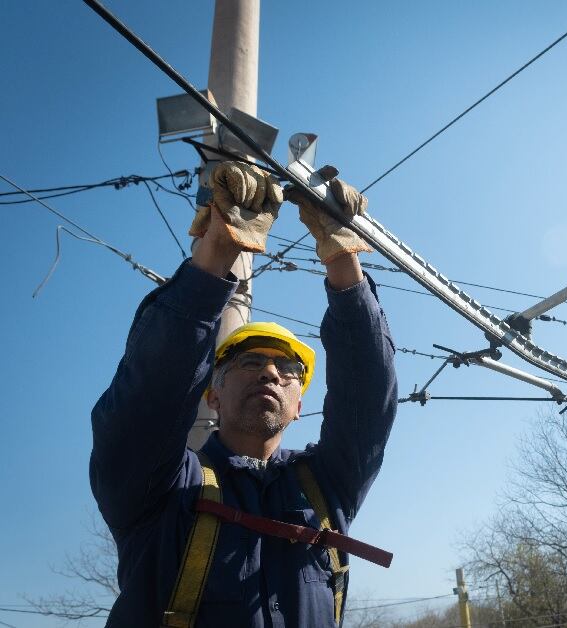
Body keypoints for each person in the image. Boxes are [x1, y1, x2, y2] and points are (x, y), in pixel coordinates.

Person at [90, 161, 398, 627]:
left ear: (299, 407)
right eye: (250, 363)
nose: (271, 373)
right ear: (212, 395)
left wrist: (343, 257)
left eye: (288, 369)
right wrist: (216, 250)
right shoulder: (163, 490)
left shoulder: (326, 487)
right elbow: (146, 400)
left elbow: (368, 397)